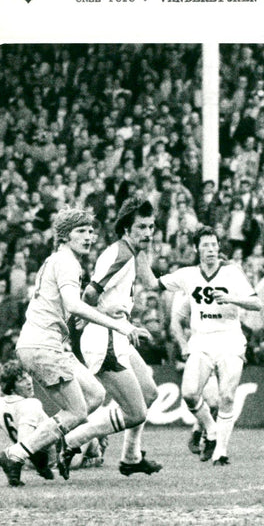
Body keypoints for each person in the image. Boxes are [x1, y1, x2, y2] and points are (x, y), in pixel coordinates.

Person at [0, 208, 150, 487]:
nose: (89, 237)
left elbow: (64, 305)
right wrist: (121, 326)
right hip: (44, 345)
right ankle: (17, 454)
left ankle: (40, 449)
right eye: (81, 231)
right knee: (76, 412)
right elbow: (73, 302)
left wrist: (74, 320)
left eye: (91, 231)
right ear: (65, 236)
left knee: (95, 393)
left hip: (48, 344)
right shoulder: (67, 262)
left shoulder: (58, 260)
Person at [57, 198, 163, 479]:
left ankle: (130, 458)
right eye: (142, 227)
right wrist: (84, 317)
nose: (148, 233)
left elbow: (148, 282)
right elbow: (90, 293)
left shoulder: (130, 252)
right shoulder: (121, 254)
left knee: (150, 392)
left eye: (151, 226)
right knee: (136, 412)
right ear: (127, 227)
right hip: (104, 338)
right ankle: (69, 441)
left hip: (117, 333)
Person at [144, 225, 261, 465]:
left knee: (227, 397)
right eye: (205, 245)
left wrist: (231, 298)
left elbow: (257, 303)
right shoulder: (187, 275)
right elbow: (153, 283)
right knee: (189, 393)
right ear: (197, 249)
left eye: (214, 244)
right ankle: (210, 429)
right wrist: (137, 252)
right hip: (201, 341)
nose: (210, 249)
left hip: (229, 339)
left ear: (219, 247)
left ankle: (221, 452)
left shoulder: (232, 273)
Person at [0, 361, 106, 472]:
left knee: (81, 426)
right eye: (21, 380)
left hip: (34, 459)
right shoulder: (31, 404)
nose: (29, 382)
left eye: (28, 377)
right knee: (87, 431)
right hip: (54, 460)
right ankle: (96, 452)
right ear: (10, 385)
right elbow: (23, 441)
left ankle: (93, 452)